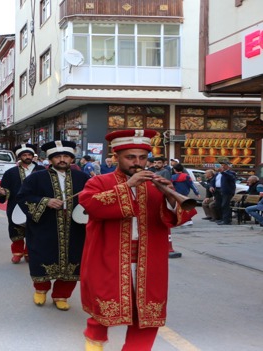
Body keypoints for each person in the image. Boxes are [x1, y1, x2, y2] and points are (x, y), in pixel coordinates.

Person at [79, 129, 197, 351]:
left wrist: (170, 196)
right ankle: (94, 340)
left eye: (142, 157)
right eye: (130, 157)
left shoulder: (156, 183)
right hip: (107, 256)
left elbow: (177, 218)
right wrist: (128, 186)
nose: (138, 162)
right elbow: (91, 205)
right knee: (105, 304)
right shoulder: (99, 181)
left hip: (149, 259)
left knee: (148, 310)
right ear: (116, 157)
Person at [15, 140, 89, 311]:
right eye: (58, 157)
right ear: (50, 159)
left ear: (72, 159)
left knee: (73, 261)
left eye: (66, 156)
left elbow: (93, 197)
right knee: (42, 257)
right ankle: (41, 290)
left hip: (75, 229)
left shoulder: (83, 178)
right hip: (44, 227)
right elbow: (23, 197)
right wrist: (45, 201)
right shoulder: (37, 177)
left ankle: (61, 295)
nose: (62, 159)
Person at [0, 143, 43, 263]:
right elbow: (5, 188)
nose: (27, 157)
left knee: (34, 230)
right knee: (16, 229)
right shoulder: (10, 172)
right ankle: (17, 253)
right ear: (19, 157)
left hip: (38, 204)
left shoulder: (42, 171)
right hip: (15, 204)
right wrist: (2, 192)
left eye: (29, 155)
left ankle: (29, 252)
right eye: (24, 155)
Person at [214, 158, 237, 225]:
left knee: (225, 205)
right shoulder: (220, 173)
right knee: (220, 205)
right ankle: (222, 219)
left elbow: (231, 178)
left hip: (227, 192)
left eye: (224, 165)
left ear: (227, 166)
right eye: (221, 165)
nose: (222, 166)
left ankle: (227, 220)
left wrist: (222, 172)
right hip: (221, 191)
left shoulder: (231, 173)